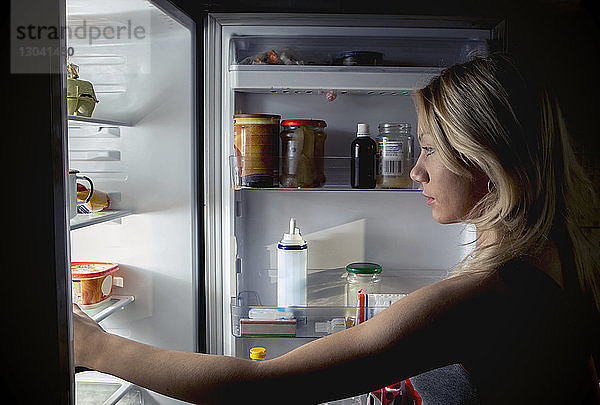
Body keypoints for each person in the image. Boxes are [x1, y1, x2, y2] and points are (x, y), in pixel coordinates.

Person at [73, 53, 600, 404]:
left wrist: (97, 349)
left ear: (487, 158)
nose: (416, 171)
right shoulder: (561, 254)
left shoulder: (480, 299)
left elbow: (259, 388)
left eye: (431, 149)